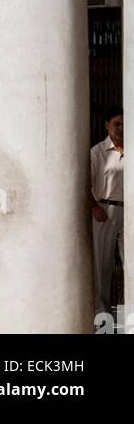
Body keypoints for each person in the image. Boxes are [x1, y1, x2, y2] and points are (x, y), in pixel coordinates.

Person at [90, 106, 124, 316]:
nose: (120, 128)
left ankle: (130, 313)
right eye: (116, 124)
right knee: (102, 266)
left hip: (129, 211)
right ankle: (103, 316)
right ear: (107, 125)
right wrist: (94, 207)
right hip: (104, 212)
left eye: (124, 124)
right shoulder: (97, 152)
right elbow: (84, 184)